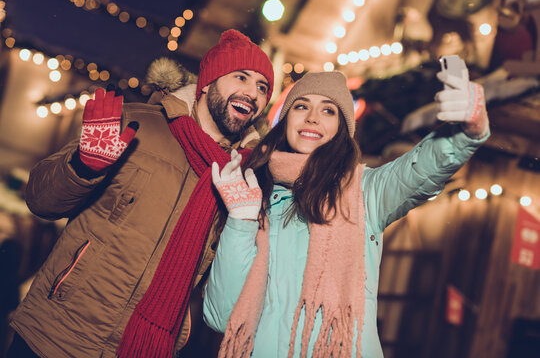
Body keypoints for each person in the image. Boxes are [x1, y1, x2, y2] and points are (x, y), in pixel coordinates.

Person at [7, 29, 274, 358]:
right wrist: (83, 167)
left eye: (263, 87)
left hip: (147, 349)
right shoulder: (137, 126)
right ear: (207, 82)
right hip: (56, 335)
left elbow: (222, 291)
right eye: (242, 78)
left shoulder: (244, 180)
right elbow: (40, 200)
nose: (253, 93)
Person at [203, 69, 490, 357]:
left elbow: (416, 170)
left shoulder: (365, 192)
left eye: (328, 110)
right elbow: (221, 316)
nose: (312, 117)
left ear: (342, 128)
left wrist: (465, 133)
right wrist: (241, 221)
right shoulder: (255, 197)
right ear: (286, 119)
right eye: (301, 106)